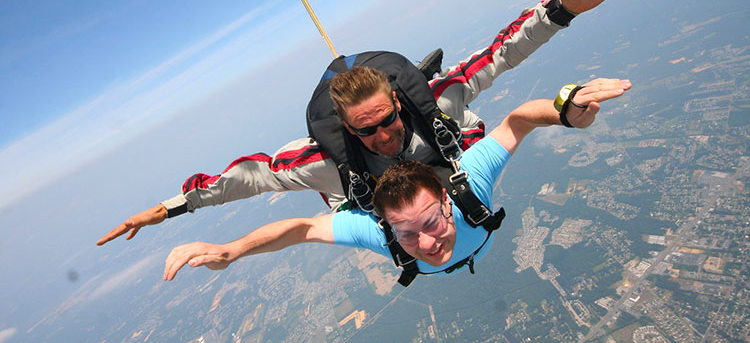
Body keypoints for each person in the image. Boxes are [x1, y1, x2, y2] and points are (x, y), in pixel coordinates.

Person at [98, 0, 634, 247]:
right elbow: (247, 176)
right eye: (366, 132)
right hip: (392, 211)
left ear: (400, 102)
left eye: (386, 120)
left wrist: (561, 10)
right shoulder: (328, 160)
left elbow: (499, 53)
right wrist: (171, 208)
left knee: (461, 120)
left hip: (447, 172)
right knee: (317, 181)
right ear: (347, 130)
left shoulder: (435, 103)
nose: (382, 136)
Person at [162, 77, 631, 282]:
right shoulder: (379, 229)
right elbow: (300, 229)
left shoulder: (469, 188)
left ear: (448, 202)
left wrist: (567, 109)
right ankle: (340, 176)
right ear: (389, 226)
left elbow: (518, 121)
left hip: (438, 174)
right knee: (335, 195)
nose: (426, 243)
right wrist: (230, 252)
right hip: (364, 194)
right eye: (406, 233)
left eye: (429, 221)